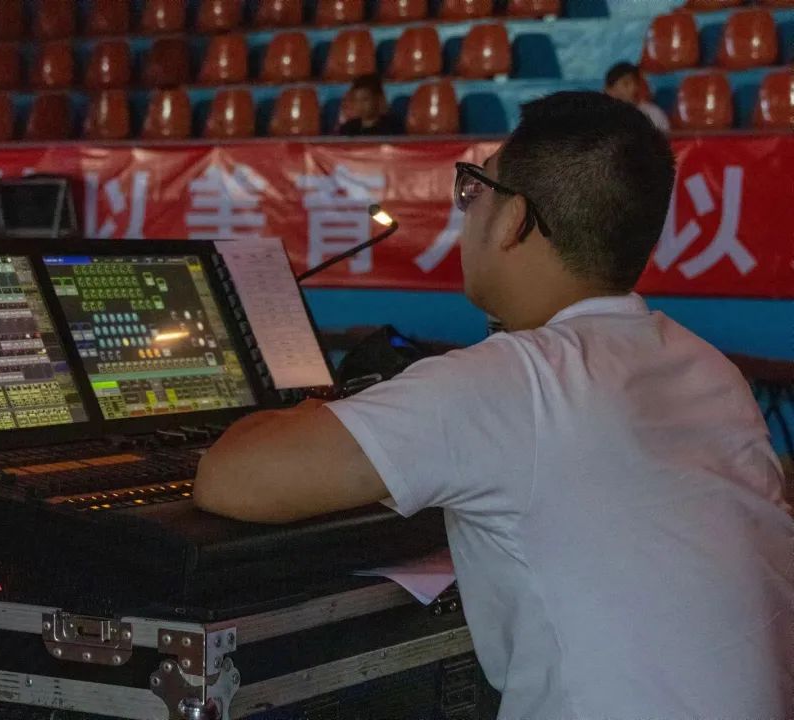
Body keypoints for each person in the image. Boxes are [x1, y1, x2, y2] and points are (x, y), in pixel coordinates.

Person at [195, 92, 793, 718]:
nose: (468, 211)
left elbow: (231, 477)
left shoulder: (515, 378)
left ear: (515, 221)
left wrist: (303, 415)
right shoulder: (712, 371)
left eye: (475, 188)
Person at [605, 61, 670, 132]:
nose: (620, 90)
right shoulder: (604, 116)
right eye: (613, 86)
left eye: (626, 84)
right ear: (607, 90)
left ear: (636, 86)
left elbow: (664, 135)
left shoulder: (652, 113)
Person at [338, 75, 404, 136]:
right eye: (357, 100)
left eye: (365, 99)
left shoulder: (393, 127)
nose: (360, 104)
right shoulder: (347, 129)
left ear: (378, 99)